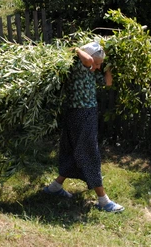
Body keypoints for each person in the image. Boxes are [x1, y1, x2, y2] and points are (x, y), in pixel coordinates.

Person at [43, 41, 125, 213]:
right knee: (89, 153)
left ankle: (55, 187)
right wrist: (77, 48)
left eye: (99, 65)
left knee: (75, 150)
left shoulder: (90, 71)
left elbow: (108, 82)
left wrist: (107, 64)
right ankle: (103, 200)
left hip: (85, 114)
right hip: (81, 114)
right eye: (97, 64)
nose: (97, 67)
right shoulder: (79, 67)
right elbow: (87, 59)